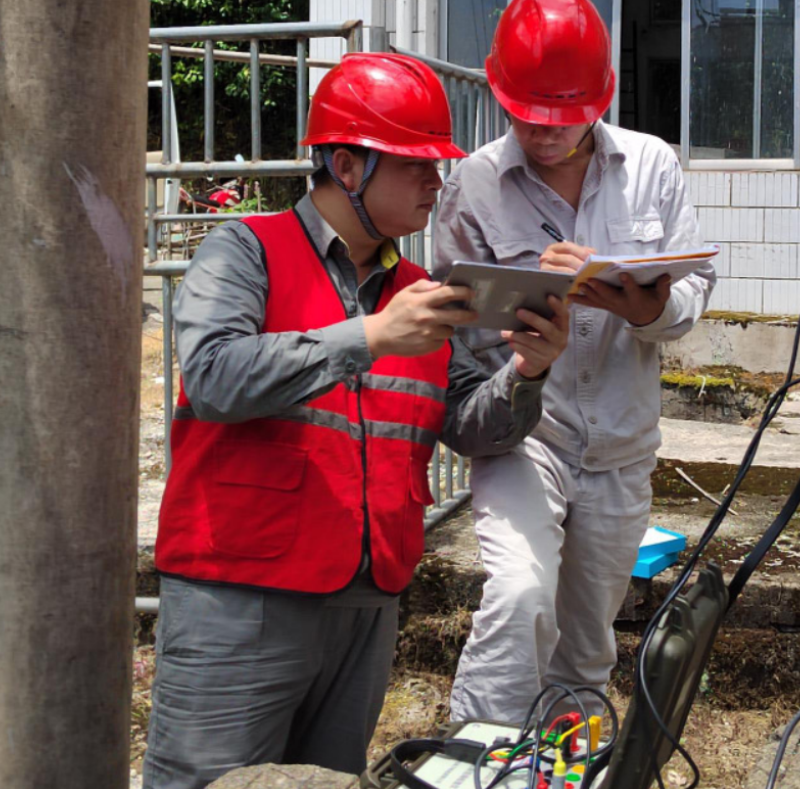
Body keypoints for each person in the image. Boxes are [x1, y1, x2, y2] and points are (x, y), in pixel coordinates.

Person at [143, 52, 570, 789]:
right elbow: (212, 377)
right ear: (346, 166)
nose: (437, 184)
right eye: (416, 166)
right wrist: (369, 337)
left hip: (365, 604)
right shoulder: (247, 252)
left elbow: (472, 426)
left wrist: (529, 371)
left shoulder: (422, 290)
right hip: (242, 599)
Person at [432, 0, 716, 723]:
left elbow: (691, 294)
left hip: (621, 444)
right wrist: (516, 336)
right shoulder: (475, 186)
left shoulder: (652, 166)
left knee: (588, 642)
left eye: (564, 119)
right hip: (530, 434)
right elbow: (458, 334)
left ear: (601, 99)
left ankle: (560, 759)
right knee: (521, 596)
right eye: (528, 118)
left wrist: (640, 302)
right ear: (503, 97)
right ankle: (479, 754)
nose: (546, 133)